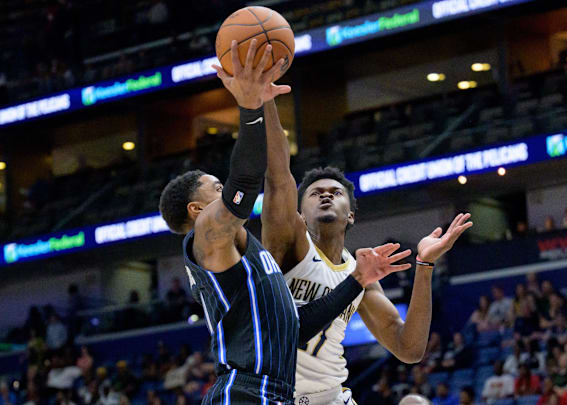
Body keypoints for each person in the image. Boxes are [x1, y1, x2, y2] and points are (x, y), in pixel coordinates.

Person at [159, 40, 413, 405]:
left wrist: (357, 280)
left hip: (272, 394)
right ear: (197, 210)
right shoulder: (207, 238)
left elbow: (295, 327)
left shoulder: (251, 256)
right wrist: (250, 107)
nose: (225, 188)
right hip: (244, 393)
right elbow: (248, 180)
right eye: (217, 187)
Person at [243, 42, 474, 405]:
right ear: (299, 214)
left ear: (351, 214)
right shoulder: (288, 241)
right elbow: (278, 175)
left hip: (334, 397)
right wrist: (265, 98)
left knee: (415, 402)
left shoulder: (359, 272)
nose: (325, 195)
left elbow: (409, 349)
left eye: (335, 192)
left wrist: (425, 265)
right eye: (315, 192)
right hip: (278, 397)